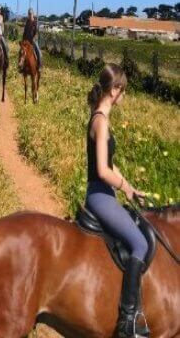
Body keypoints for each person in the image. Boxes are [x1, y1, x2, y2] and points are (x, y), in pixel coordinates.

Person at [85, 64, 151, 337]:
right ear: (115, 90)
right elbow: (102, 170)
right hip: (100, 195)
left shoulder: (100, 118)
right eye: (123, 89)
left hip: (106, 192)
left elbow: (111, 164)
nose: (124, 95)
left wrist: (130, 189)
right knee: (140, 242)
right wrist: (122, 185)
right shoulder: (101, 121)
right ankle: (127, 317)